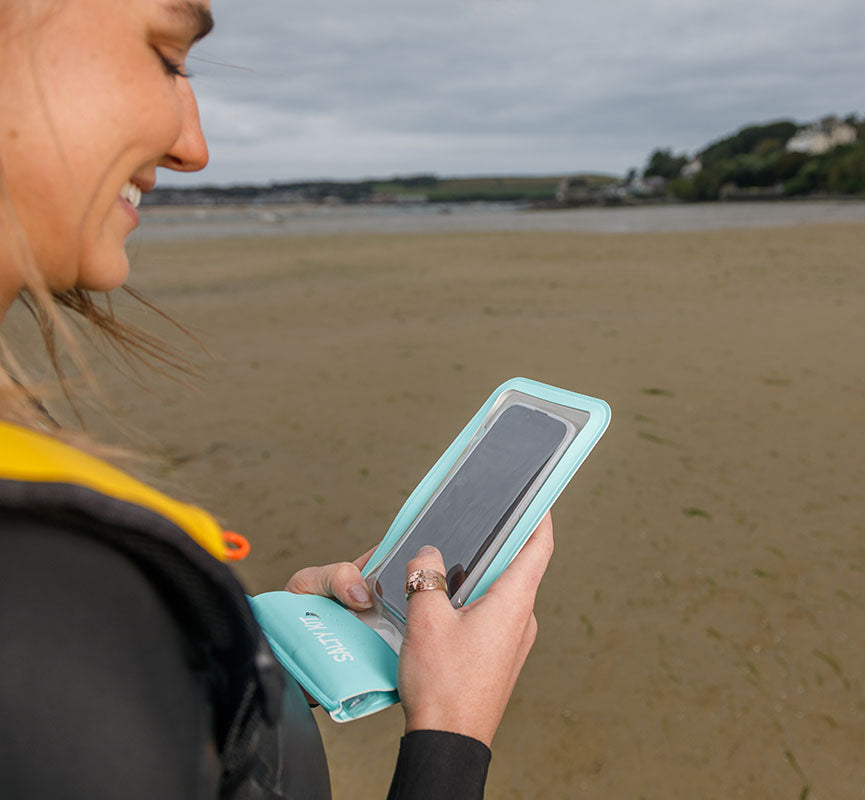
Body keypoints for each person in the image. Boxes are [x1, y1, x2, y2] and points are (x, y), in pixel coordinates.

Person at [0, 2, 551, 797]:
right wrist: (453, 732)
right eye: (166, 56)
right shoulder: (45, 610)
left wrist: (264, 650)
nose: (193, 147)